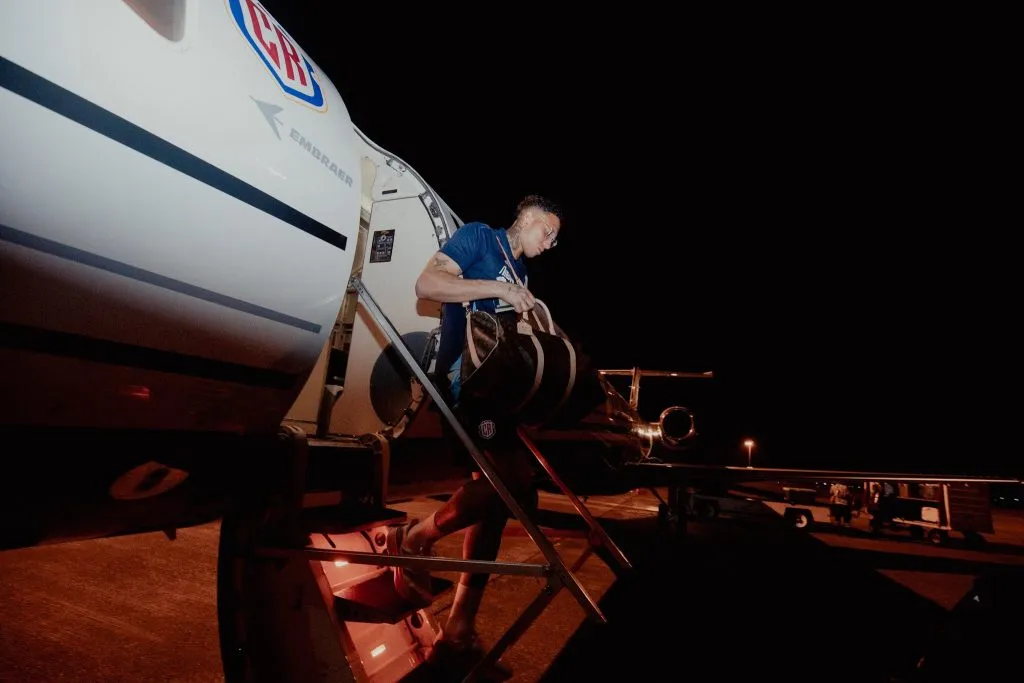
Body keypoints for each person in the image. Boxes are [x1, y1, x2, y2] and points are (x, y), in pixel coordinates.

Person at [392, 194, 562, 676]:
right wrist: (501, 291)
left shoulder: (523, 274)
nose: (549, 245)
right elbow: (427, 283)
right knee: (510, 482)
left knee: (509, 495)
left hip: (495, 387)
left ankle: (460, 627)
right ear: (527, 219)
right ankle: (416, 536)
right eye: (547, 233)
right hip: (463, 381)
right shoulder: (480, 237)